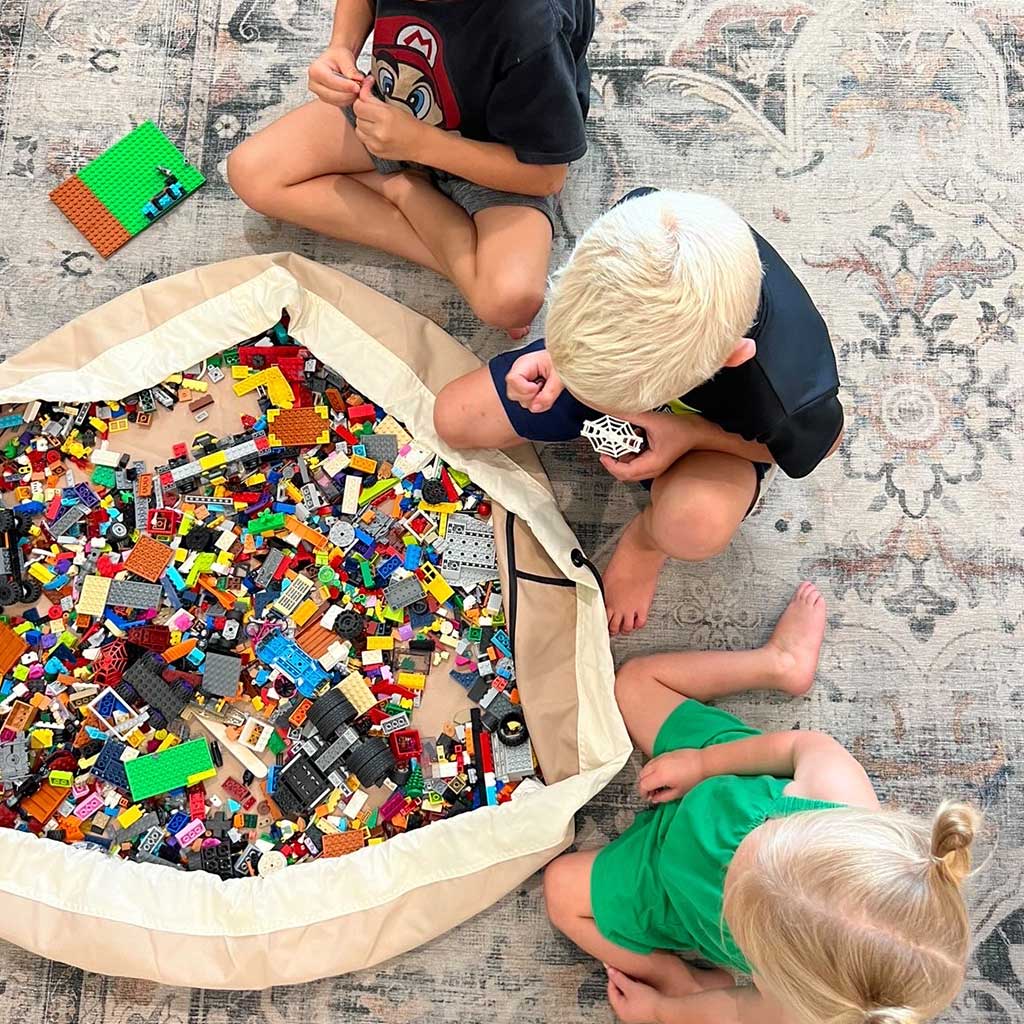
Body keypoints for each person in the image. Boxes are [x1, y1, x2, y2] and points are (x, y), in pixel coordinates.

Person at [543, 583, 979, 1024]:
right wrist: (701, 764)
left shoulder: (799, 1001)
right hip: (724, 778)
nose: (737, 862)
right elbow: (795, 747)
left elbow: (741, 1011)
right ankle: (778, 663)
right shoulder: (840, 790)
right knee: (635, 682)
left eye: (740, 895)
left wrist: (662, 1009)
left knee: (560, 890)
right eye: (763, 840)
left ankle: (677, 976)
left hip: (675, 891)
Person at [433, 189, 845, 634]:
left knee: (696, 524)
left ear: (730, 358)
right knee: (454, 417)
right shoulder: (643, 221)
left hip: (715, 440)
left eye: (615, 397)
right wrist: (563, 359)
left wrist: (691, 435)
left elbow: (813, 450)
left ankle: (646, 540)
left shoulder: (791, 395)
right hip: (612, 359)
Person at [227, 0, 595, 338]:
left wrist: (420, 148)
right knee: (250, 173)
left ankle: (402, 189)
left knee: (509, 302)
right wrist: (341, 47)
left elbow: (547, 176)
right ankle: (454, 250)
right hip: (396, 109)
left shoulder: (532, 27)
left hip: (495, 154)